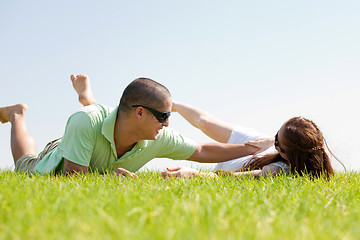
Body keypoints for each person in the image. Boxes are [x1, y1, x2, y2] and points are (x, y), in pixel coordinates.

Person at [0, 74, 272, 177]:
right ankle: (17, 115)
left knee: (96, 115)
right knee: (25, 162)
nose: (167, 124)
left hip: (98, 130)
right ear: (141, 112)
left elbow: (201, 151)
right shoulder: (84, 122)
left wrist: (249, 149)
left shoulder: (156, 137)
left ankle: (87, 98)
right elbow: (74, 180)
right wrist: (109, 181)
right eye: (164, 116)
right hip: (62, 153)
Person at [161, 102, 344, 179]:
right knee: (206, 123)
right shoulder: (263, 142)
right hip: (255, 144)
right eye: (275, 135)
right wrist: (171, 104)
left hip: (254, 152)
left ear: (288, 154)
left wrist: (192, 174)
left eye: (277, 141)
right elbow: (204, 121)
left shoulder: (276, 170)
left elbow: (229, 179)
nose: (273, 141)